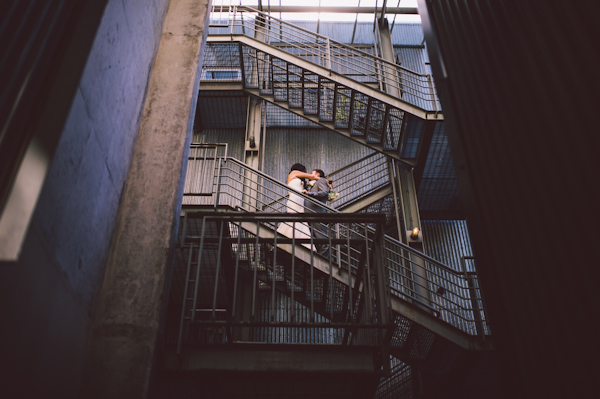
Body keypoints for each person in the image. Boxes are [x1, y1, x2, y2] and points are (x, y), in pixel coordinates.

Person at [276, 163, 320, 250]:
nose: (305, 172)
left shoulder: (298, 178)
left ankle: (298, 244)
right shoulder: (294, 173)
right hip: (294, 200)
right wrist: (323, 180)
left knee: (299, 221)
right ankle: (297, 243)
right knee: (295, 221)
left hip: (300, 201)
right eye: (304, 170)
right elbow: (312, 177)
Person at [302, 169, 331, 257]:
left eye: (312, 173)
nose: (310, 175)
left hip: (316, 214)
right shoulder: (313, 184)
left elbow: (324, 193)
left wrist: (310, 193)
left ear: (318, 174)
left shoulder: (321, 180)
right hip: (311, 215)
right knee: (315, 239)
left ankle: (324, 262)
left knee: (321, 238)